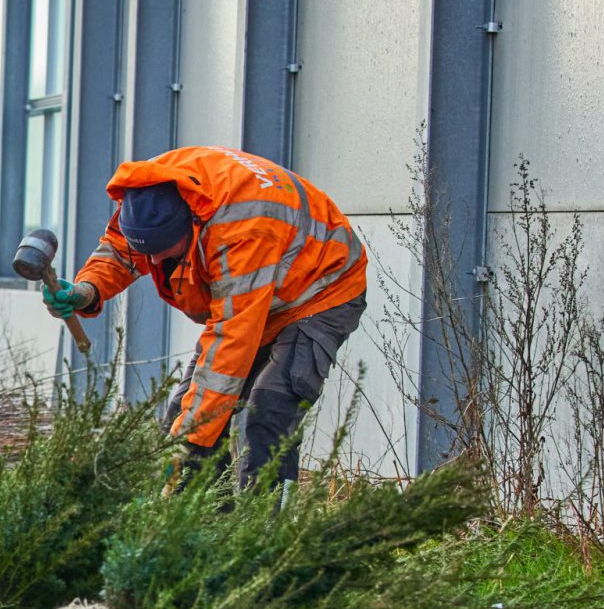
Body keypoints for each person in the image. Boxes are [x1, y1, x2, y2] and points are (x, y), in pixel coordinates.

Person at [42, 145, 368, 484]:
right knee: (183, 416)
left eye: (162, 253)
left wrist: (189, 444)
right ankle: (205, 528)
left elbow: (232, 341)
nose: (153, 264)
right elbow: (124, 247)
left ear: (192, 226)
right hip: (253, 291)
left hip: (319, 289)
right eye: (147, 253)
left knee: (268, 412)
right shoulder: (151, 189)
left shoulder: (242, 230)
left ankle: (267, 532)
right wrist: (88, 289)